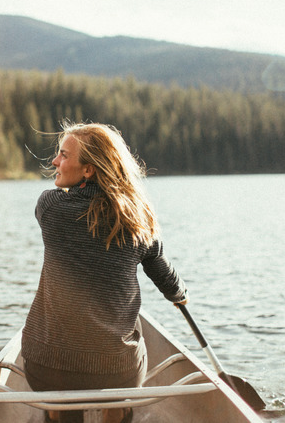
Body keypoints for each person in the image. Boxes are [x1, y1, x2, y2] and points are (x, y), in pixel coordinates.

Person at [21, 121, 188, 423]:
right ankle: (116, 411)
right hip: (116, 372)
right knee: (126, 353)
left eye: (63, 155)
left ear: (88, 170)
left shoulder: (49, 207)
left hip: (47, 367)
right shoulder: (139, 219)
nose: (55, 162)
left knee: (58, 382)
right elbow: (163, 274)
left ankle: (59, 413)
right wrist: (179, 295)